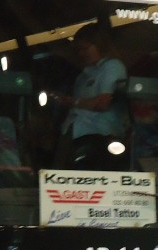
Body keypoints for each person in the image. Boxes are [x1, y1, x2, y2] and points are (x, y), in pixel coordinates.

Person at [52, 22, 128, 170]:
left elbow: (103, 102)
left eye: (86, 48)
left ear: (100, 45)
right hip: (72, 133)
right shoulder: (82, 76)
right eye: (79, 50)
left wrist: (74, 102)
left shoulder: (111, 66)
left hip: (99, 137)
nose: (82, 53)